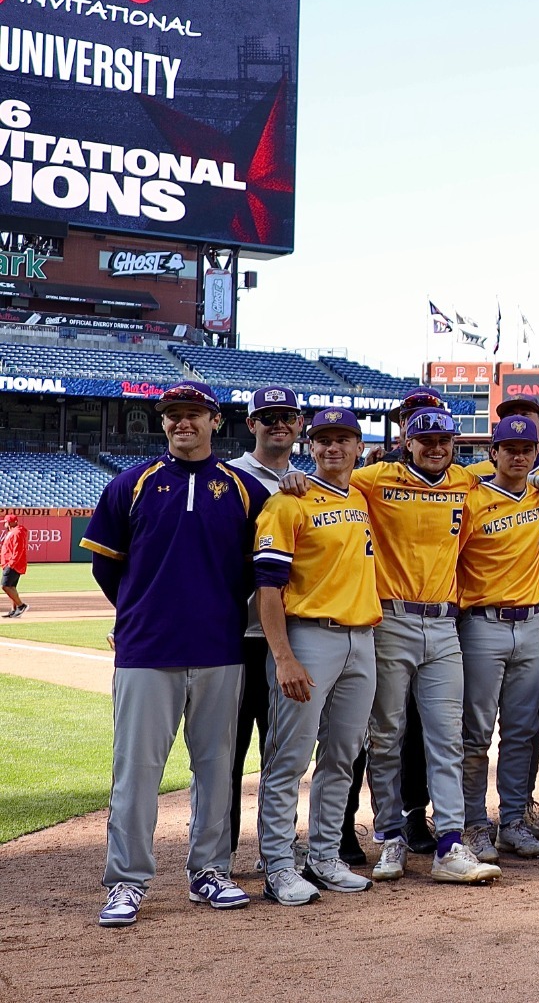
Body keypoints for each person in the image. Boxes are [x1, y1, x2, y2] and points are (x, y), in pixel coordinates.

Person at [81, 382, 266, 926]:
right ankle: (126, 881)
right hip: (147, 652)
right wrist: (143, 613)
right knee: (135, 772)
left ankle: (209, 871)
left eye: (193, 414)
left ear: (214, 420)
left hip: (220, 649)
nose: (182, 423)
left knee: (216, 769)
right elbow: (106, 566)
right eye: (172, 416)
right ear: (163, 424)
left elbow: (262, 569)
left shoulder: (243, 490)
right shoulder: (130, 484)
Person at [338, 409, 500, 885]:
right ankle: (391, 835)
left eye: (443, 440)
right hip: (391, 619)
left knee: (446, 737)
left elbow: (513, 478)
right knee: (386, 734)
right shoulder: (375, 480)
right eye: (425, 439)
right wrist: (295, 481)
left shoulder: (465, 483)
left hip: (445, 624)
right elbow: (331, 477)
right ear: (407, 442)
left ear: (453, 443)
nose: (435, 447)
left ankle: (450, 843)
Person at [252, 409, 381, 908]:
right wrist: (283, 657)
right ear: (311, 447)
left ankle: (325, 856)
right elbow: (268, 589)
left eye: (342, 440)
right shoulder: (289, 502)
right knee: (288, 758)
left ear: (357, 446)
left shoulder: (364, 496)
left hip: (361, 640)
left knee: (342, 757)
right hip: (308, 637)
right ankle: (279, 866)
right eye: (323, 440)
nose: (333, 448)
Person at [457, 414, 539, 863]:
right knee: (476, 733)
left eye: (527, 448)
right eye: (510, 449)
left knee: (523, 730)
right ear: (492, 453)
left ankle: (514, 820)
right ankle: (474, 824)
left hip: (532, 623)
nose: (519, 455)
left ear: (537, 452)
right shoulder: (471, 499)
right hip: (483, 622)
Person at [224, 386, 305, 871]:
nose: (278, 424)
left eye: (286, 417)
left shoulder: (310, 485)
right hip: (234, 637)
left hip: (291, 638)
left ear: (299, 425)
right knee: (225, 756)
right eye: (267, 417)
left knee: (284, 755)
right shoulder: (229, 477)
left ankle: (276, 848)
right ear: (250, 424)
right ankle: (221, 852)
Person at [1, 512, 26, 618]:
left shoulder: (17, 533)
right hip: (9, 563)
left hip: (13, 564)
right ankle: (14, 610)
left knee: (5, 586)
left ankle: (21, 606)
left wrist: (11, 564)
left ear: (11, 523)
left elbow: (18, 549)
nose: (4, 524)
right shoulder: (13, 532)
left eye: (6, 522)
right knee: (11, 587)